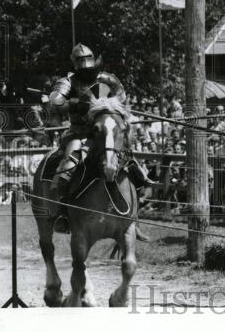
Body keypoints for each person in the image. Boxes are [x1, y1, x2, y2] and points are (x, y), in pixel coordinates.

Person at [49, 43, 153, 233]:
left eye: (90, 66)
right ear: (75, 65)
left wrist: (111, 106)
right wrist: (76, 104)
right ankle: (63, 213)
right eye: (83, 66)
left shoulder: (108, 79)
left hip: (107, 130)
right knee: (67, 167)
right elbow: (55, 101)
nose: (87, 70)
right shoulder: (68, 81)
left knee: (129, 161)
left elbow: (122, 98)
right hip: (80, 133)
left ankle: (136, 206)